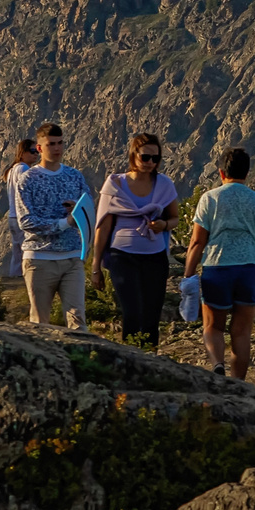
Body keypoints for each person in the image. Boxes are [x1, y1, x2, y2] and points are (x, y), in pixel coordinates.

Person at [185, 148, 255, 379]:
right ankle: (238, 384)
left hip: (217, 266)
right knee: (242, 332)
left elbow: (197, 241)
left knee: (213, 326)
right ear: (248, 172)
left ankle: (217, 365)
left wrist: (188, 275)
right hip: (251, 268)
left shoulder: (210, 198)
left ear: (221, 172)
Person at [92, 131, 180, 349]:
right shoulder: (115, 185)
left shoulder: (165, 185)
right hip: (122, 255)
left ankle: (150, 359)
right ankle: (130, 357)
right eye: (145, 157)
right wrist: (96, 265)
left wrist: (164, 225)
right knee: (131, 311)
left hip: (155, 256)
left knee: (151, 313)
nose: (150, 163)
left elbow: (174, 217)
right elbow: (103, 226)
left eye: (155, 158)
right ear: (134, 155)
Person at [17, 123, 94, 329]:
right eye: (51, 144)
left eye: (60, 143)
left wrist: (77, 211)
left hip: (72, 258)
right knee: (40, 324)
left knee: (78, 321)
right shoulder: (28, 179)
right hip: (39, 259)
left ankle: (82, 360)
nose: (57, 148)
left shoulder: (75, 176)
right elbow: (26, 221)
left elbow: (88, 210)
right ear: (40, 148)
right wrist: (64, 223)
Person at [0, 137, 35, 285]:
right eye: (32, 151)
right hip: (21, 216)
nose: (36, 155)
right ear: (23, 152)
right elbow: (25, 193)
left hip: (13, 215)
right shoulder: (23, 169)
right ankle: (21, 278)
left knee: (17, 249)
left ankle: (15, 277)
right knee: (25, 249)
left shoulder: (13, 169)